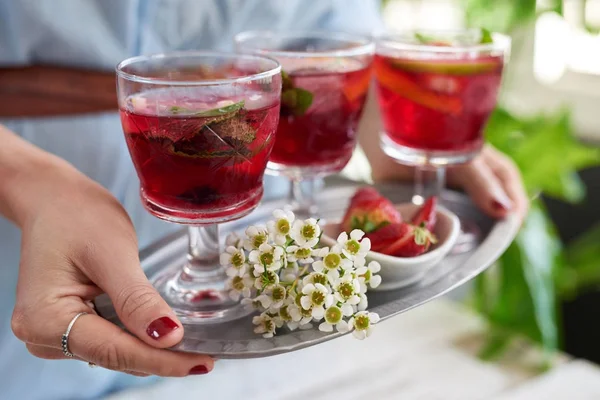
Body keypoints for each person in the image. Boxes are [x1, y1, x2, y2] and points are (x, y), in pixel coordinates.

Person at [0, 1, 528, 399]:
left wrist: (404, 129)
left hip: (262, 300)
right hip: (26, 263)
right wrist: (35, 184)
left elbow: (333, 47)